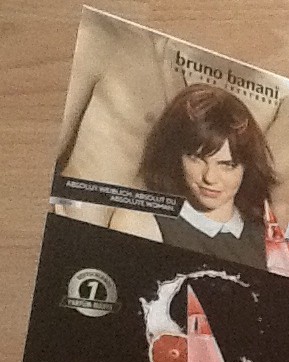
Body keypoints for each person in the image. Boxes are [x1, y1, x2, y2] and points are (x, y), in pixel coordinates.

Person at [110, 84, 279, 270]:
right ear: (175, 153)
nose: (210, 178)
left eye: (227, 165)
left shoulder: (265, 235)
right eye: (197, 159)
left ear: (247, 166)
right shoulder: (141, 221)